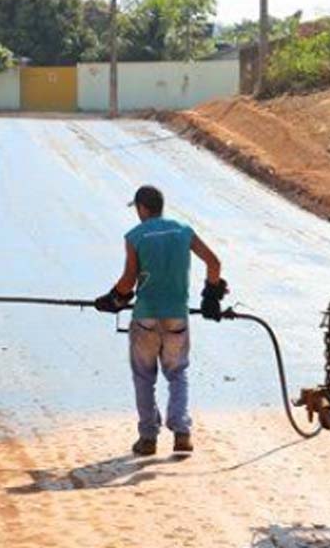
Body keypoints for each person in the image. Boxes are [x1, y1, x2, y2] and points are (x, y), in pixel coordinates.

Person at [95, 185, 227, 456]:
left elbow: (128, 281)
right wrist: (211, 297)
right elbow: (214, 263)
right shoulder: (183, 231)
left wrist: (111, 300)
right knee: (177, 374)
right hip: (177, 316)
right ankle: (182, 433)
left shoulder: (135, 236)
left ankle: (148, 438)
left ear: (142, 208)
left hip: (145, 316)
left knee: (144, 377)